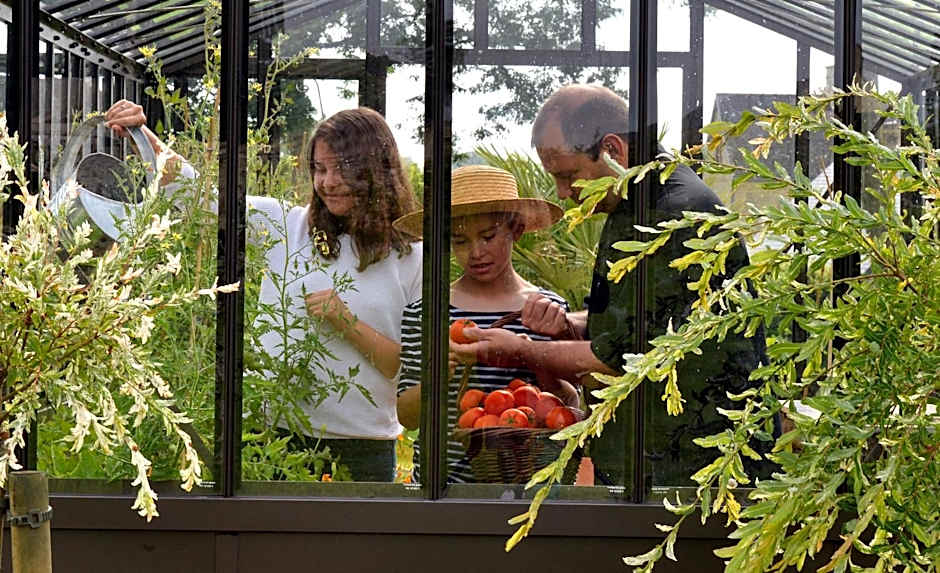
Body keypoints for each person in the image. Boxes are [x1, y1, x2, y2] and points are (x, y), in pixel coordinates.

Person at [451, 85, 767, 486]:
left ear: (613, 150)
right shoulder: (635, 201)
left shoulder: (674, 215)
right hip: (651, 461)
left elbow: (622, 357)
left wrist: (521, 350)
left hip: (692, 472)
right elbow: (644, 323)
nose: (564, 194)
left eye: (568, 176)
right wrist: (572, 322)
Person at [104, 100, 422, 482]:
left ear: (378, 171)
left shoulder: (412, 256)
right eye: (320, 169)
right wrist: (143, 136)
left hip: (362, 451)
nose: (328, 182)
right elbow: (200, 196)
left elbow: (406, 369)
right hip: (275, 441)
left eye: (343, 169)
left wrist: (346, 321)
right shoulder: (287, 227)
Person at [394, 165, 578, 483]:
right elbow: (407, 416)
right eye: (460, 241)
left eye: (488, 236)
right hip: (444, 486)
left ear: (516, 230)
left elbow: (569, 405)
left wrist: (530, 355)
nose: (476, 252)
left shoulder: (545, 309)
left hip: (527, 483)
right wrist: (435, 377)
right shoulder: (427, 312)